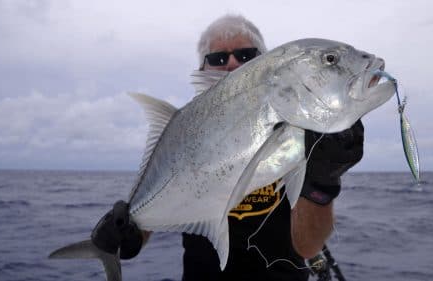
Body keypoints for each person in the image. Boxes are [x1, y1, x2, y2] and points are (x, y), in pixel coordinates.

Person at [91, 14, 364, 281]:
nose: (232, 63)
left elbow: (307, 246)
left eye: (246, 55)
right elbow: (157, 206)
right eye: (218, 58)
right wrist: (128, 231)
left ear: (266, 62)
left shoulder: (299, 127)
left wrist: (323, 181)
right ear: (202, 72)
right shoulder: (180, 136)